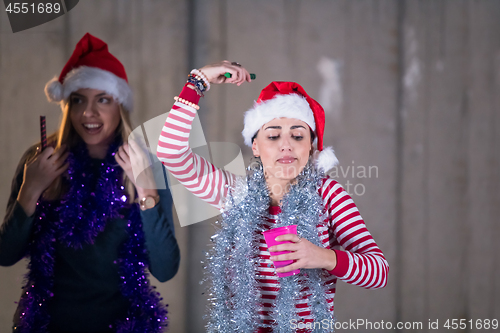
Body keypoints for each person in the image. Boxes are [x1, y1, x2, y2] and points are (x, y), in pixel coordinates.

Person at [156, 61, 388, 333]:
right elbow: (171, 153)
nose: (286, 145)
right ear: (255, 146)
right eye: (274, 136)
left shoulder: (328, 195)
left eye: (298, 136)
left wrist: (323, 257)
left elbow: (379, 272)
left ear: (311, 147)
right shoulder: (236, 194)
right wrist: (199, 81)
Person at [0, 33, 180, 333]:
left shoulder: (145, 165)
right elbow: (5, 255)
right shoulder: (41, 160)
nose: (88, 113)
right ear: (67, 105)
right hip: (48, 325)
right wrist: (30, 190)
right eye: (78, 99)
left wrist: (147, 190)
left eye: (103, 100)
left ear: (119, 106)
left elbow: (165, 269)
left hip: (124, 325)